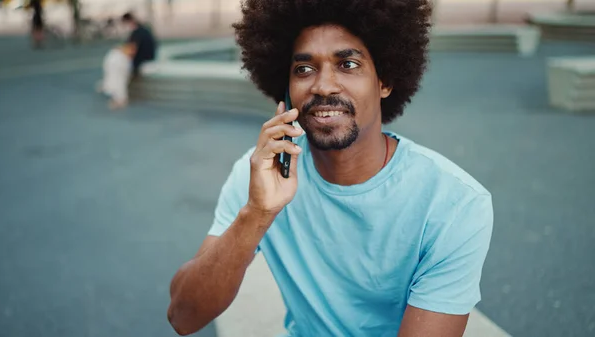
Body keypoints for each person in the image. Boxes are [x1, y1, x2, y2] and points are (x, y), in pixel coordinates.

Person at [167, 0, 494, 336]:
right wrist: (256, 213)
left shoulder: (453, 204)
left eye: (348, 64)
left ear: (385, 81)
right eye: (304, 69)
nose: (323, 86)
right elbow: (183, 316)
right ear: (286, 92)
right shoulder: (260, 177)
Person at [96, 43, 136, 110]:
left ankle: (119, 99)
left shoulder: (118, 56)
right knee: (117, 78)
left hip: (120, 60)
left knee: (118, 79)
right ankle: (118, 98)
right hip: (120, 60)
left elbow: (131, 50)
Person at [120, 12, 156, 78]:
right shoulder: (143, 29)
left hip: (142, 62)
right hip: (149, 59)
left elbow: (131, 49)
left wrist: (120, 50)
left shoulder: (137, 33)